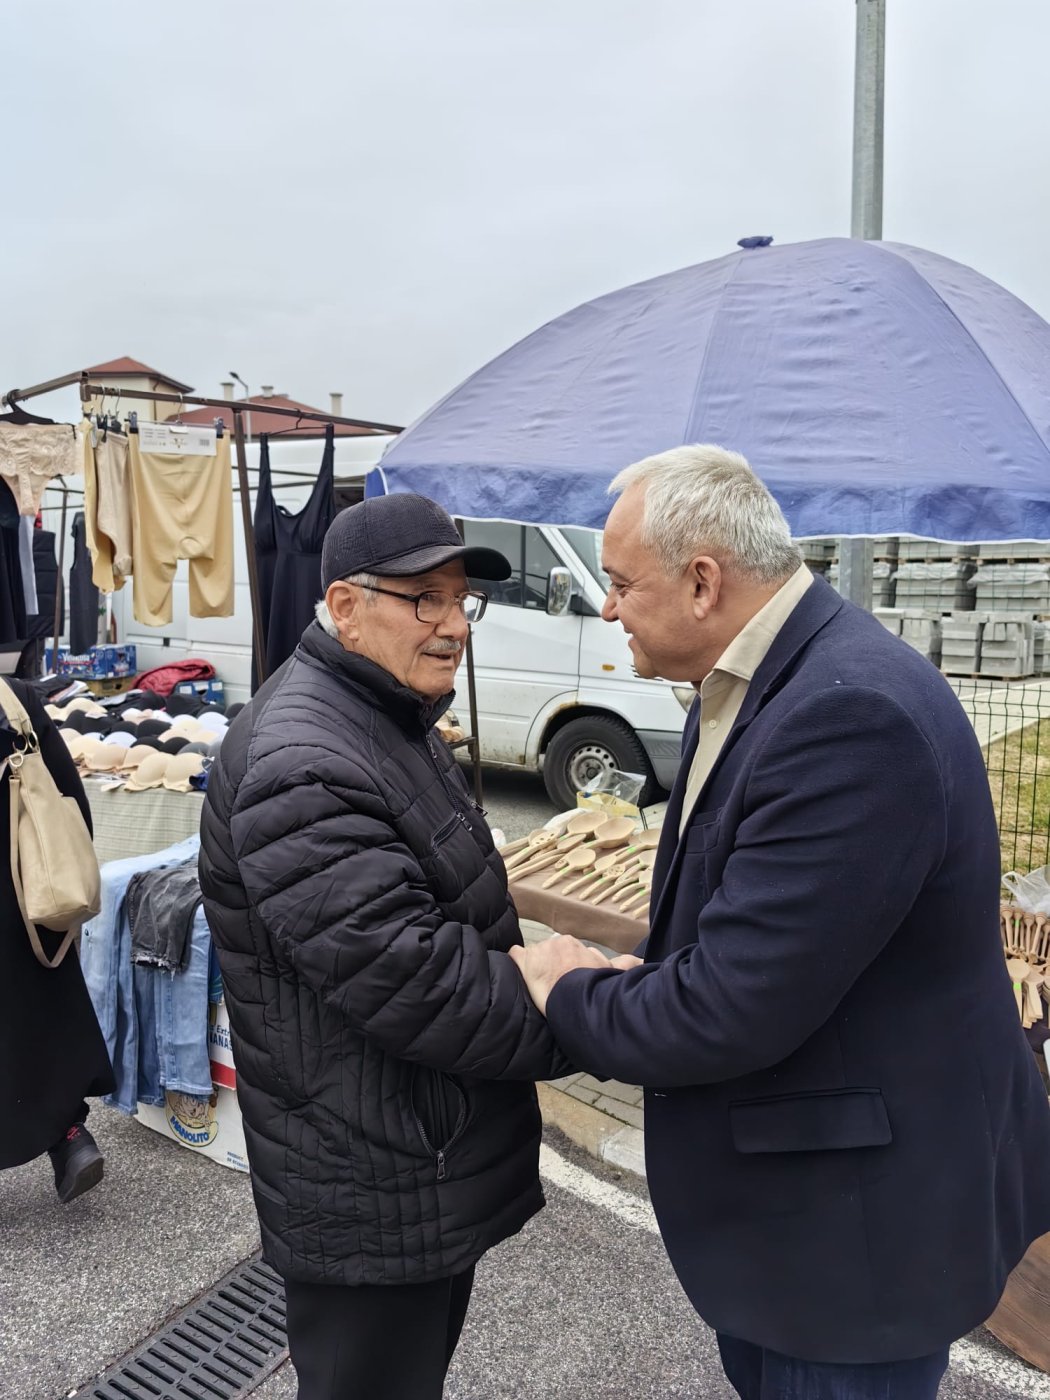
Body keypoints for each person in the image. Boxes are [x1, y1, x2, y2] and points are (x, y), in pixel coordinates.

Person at [510, 444, 1050, 1400]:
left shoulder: (849, 716)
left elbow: (728, 1008)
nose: (607, 606)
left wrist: (571, 989)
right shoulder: (770, 679)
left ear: (704, 582)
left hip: (853, 1246)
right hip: (811, 1218)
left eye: (624, 584)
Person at [198, 493, 568, 1400]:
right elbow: (416, 982)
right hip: (369, 1178)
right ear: (346, 604)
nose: (451, 627)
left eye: (459, 601)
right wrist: (569, 1004)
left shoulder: (384, 714)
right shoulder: (305, 756)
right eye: (424, 599)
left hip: (412, 1154)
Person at [0, 678, 113, 1202]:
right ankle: (69, 1135)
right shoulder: (12, 696)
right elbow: (71, 800)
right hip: (25, 898)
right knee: (41, 1012)